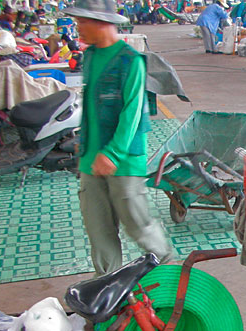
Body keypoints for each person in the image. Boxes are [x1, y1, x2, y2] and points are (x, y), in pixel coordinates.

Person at [63, 0, 174, 276]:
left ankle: (169, 275)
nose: (78, 28)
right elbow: (90, 104)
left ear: (102, 22)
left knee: (138, 225)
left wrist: (112, 152)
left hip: (122, 160)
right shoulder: (89, 57)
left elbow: (132, 111)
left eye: (82, 22)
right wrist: (85, 146)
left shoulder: (130, 60)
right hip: (91, 159)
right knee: (99, 231)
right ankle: (107, 288)